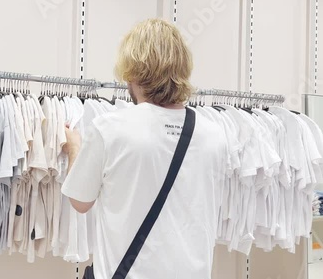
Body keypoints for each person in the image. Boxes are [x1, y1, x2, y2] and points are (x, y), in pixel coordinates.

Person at [61, 18, 227, 279]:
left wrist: (74, 149)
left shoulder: (110, 128)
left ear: (133, 71)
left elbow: (80, 202)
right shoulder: (215, 135)